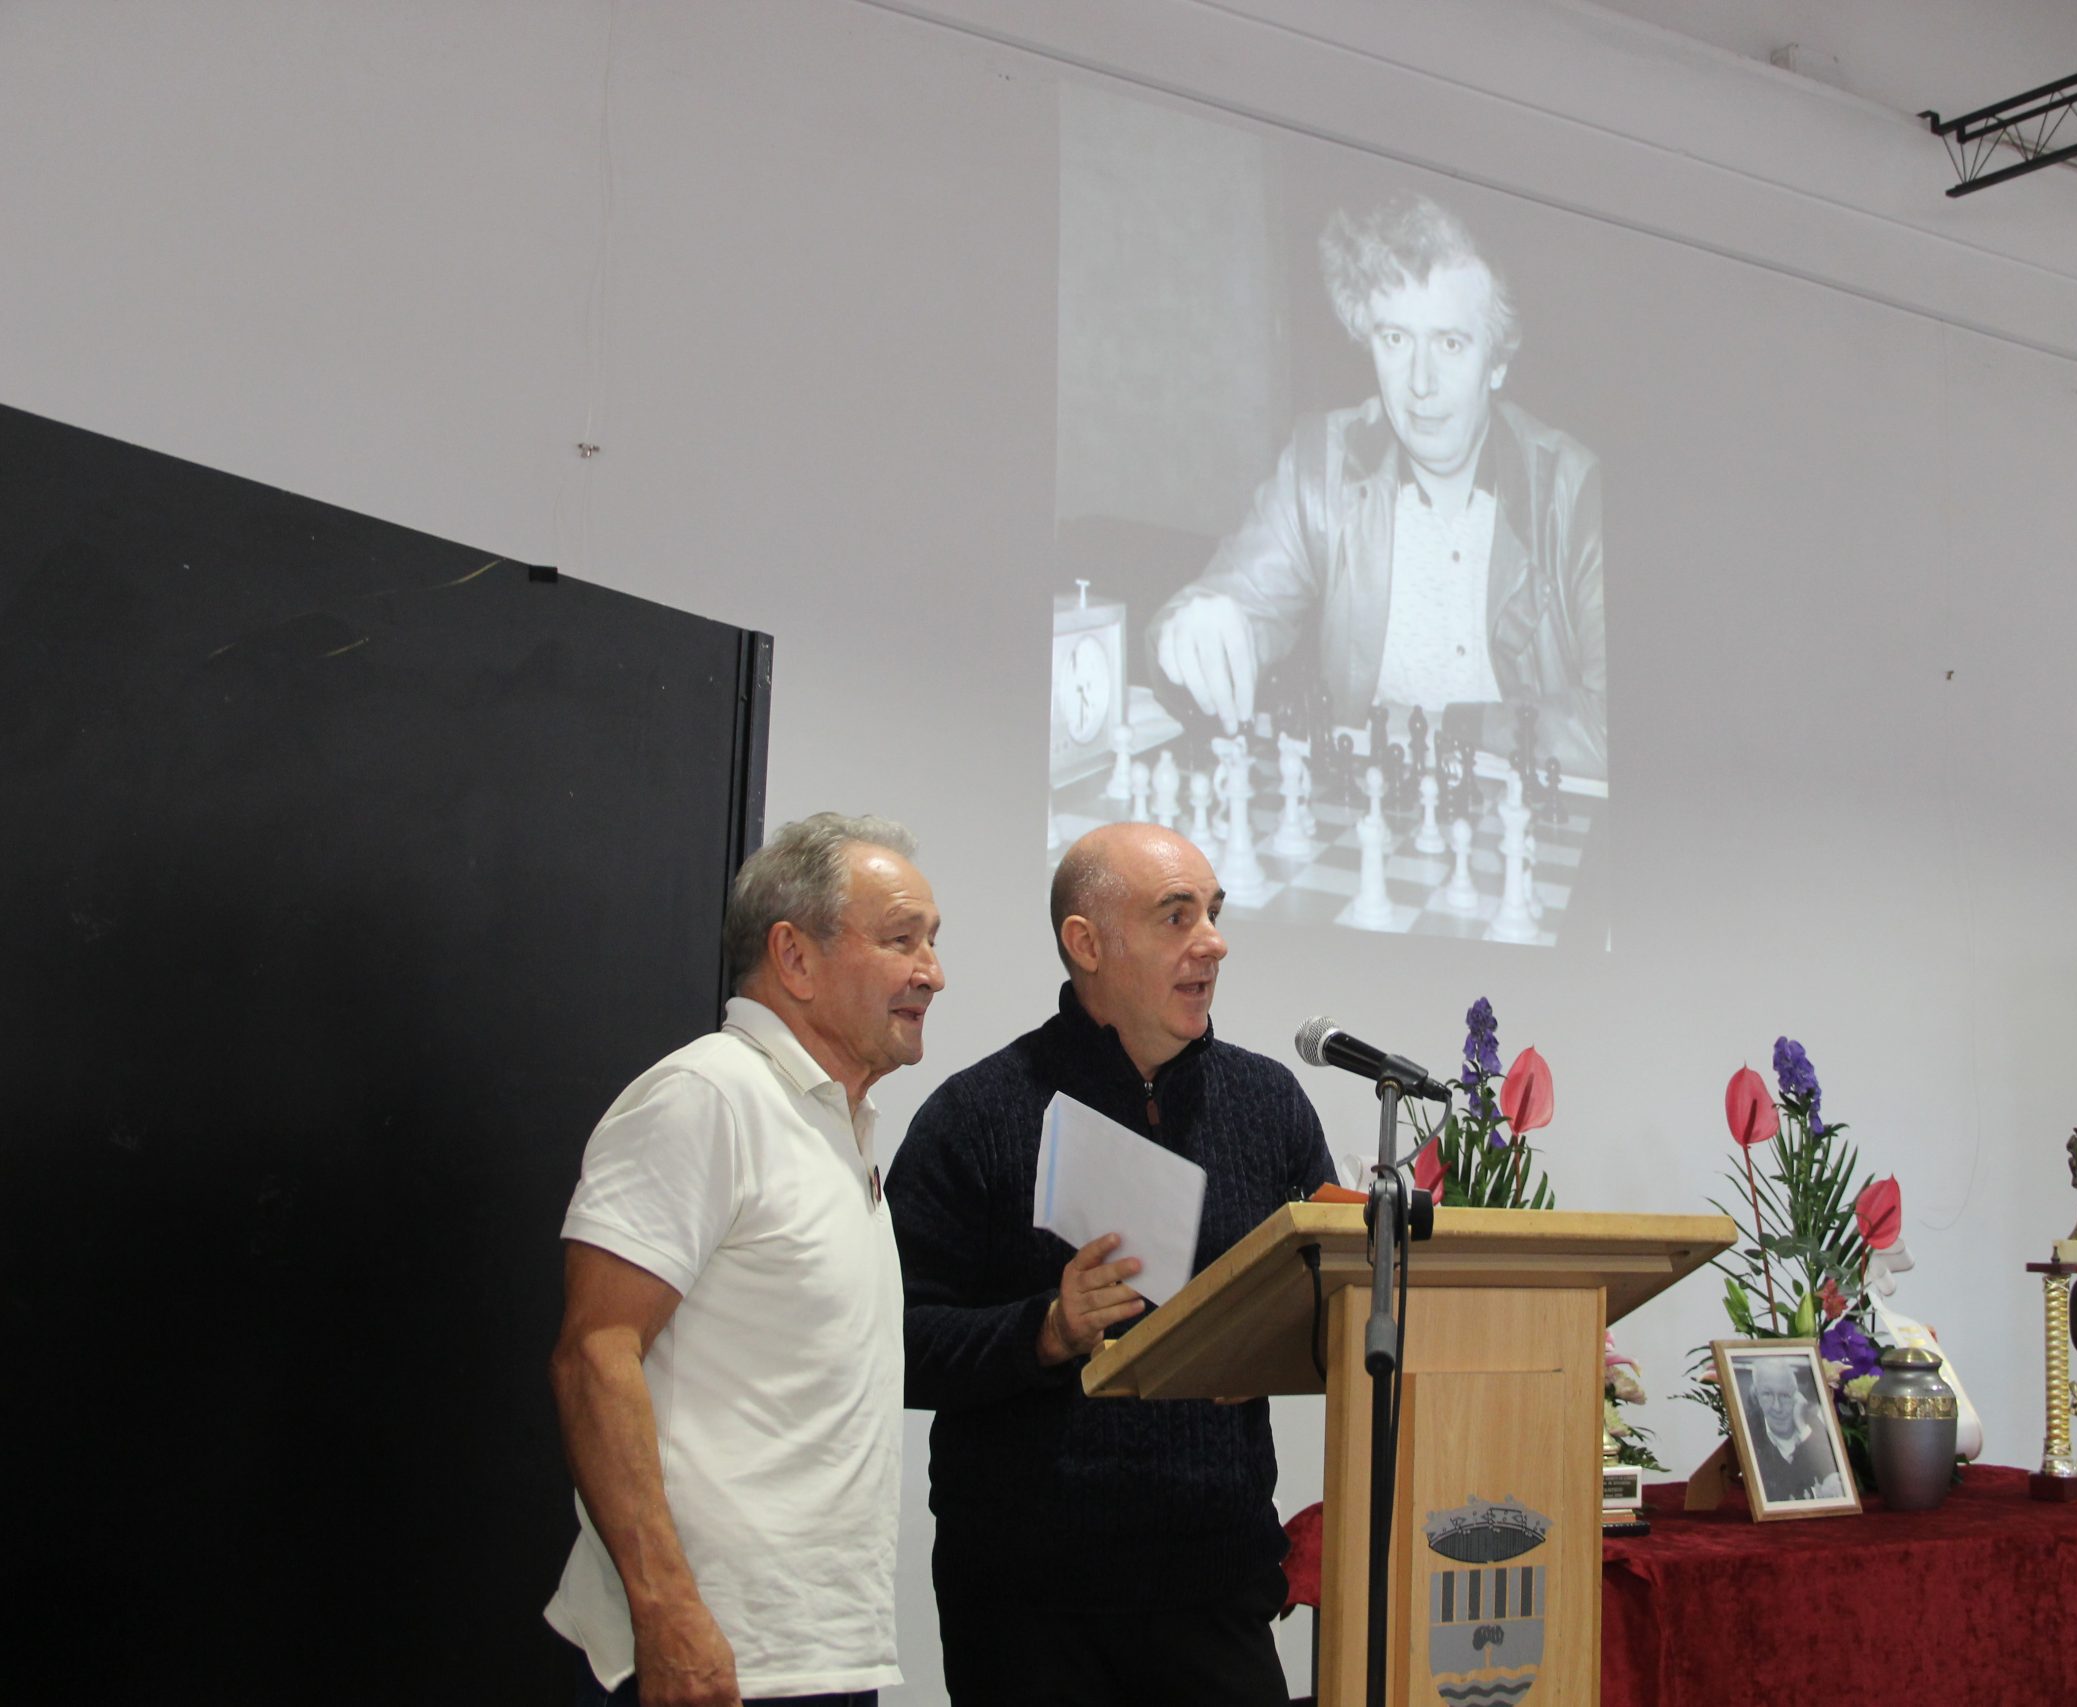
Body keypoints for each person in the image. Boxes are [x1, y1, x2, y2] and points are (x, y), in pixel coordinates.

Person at [888, 822, 1337, 1707]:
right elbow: (894, 1342)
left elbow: (1332, 1298)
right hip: (1030, 1609)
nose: (1213, 942)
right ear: (1086, 943)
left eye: (1213, 913)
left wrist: (1272, 1342)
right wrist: (1045, 1330)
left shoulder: (1269, 1103)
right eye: (1176, 916)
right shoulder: (977, 1114)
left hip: (1217, 1583)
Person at [546, 814, 943, 1707]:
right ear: (794, 957)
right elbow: (594, 1355)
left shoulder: (837, 1125)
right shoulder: (707, 1095)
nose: (933, 971)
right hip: (706, 1659)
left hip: (820, 1658)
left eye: (932, 941)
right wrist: (666, 1611)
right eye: (901, 940)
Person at [1149, 190, 1607, 776]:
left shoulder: (1573, 492)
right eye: (1395, 339)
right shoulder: (1323, 468)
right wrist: (1192, 635)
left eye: (1450, 343)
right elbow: (1209, 611)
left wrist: (1448, 728)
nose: (1420, 382)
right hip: (1370, 813)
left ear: (1497, 363)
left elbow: (1617, 725)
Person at [1742, 1360, 1845, 1504]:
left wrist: (1801, 1425)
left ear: (1797, 1397)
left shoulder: (1813, 1424)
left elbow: (1832, 1475)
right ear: (1756, 1396)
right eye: (1767, 1394)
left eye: (1784, 1395)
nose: (1777, 1407)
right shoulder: (1748, 1430)